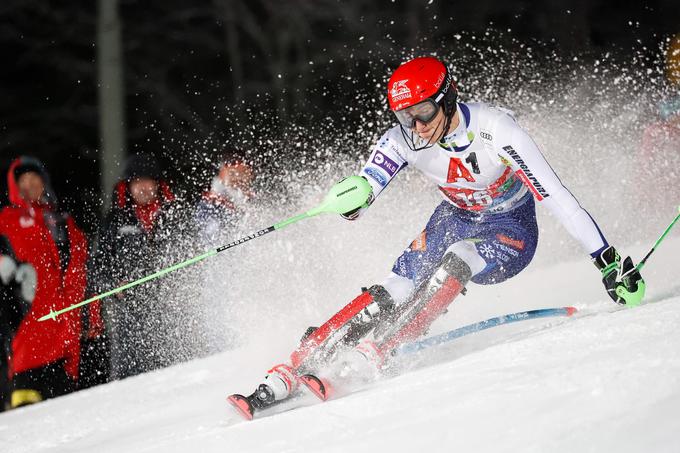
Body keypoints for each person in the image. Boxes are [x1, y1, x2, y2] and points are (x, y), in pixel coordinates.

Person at [233, 56, 646, 413]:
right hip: (453, 217)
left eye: (424, 112)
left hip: (511, 229)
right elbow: (368, 183)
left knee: (458, 259)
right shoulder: (402, 140)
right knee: (394, 286)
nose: (415, 126)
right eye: (404, 116)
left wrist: (606, 260)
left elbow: (555, 195)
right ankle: (298, 362)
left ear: (447, 99)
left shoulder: (496, 130)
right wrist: (352, 199)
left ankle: (380, 350)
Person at [0, 156, 88, 409]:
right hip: (26, 348)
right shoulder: (7, 219)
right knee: (29, 427)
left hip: (66, 350)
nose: (29, 186)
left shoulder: (64, 222)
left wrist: (92, 320)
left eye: (34, 179)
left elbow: (82, 273)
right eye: (22, 181)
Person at [90, 153, 179, 379]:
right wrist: (114, 285)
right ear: (127, 187)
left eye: (148, 181)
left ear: (158, 184)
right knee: (130, 378)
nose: (143, 187)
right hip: (130, 317)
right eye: (136, 182)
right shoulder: (115, 220)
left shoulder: (174, 214)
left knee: (177, 375)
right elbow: (97, 267)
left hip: (172, 312)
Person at [194, 158, 254, 245]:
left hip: (227, 213)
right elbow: (212, 197)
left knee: (239, 222)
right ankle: (210, 248)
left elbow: (242, 208)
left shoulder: (241, 191)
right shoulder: (219, 182)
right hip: (211, 209)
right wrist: (227, 204)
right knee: (213, 227)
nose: (238, 177)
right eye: (233, 173)